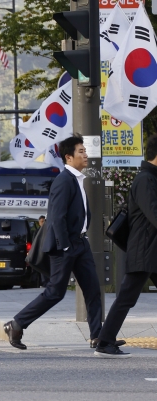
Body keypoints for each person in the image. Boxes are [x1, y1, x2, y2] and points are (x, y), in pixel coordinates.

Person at [4, 136, 104, 351]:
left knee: (93, 290)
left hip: (80, 242)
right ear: (68, 157)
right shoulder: (64, 180)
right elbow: (56, 217)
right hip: (66, 246)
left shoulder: (77, 180)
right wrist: (66, 246)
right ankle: (16, 324)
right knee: (55, 292)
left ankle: (98, 337)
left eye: (85, 151)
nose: (85, 155)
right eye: (81, 151)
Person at [94, 135, 157, 358]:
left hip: (150, 250)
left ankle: (105, 338)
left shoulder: (150, 178)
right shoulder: (145, 180)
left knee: (126, 297)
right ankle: (104, 341)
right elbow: (154, 214)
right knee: (126, 298)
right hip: (144, 250)